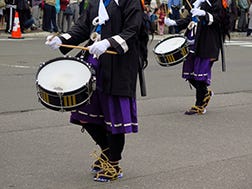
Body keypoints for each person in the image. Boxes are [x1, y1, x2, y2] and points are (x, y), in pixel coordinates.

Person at [45, 0, 143, 182]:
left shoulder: (131, 2)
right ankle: (107, 152)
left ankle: (113, 164)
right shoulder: (94, 2)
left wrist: (108, 43)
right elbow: (81, 27)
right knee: (84, 113)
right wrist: (62, 39)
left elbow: (133, 29)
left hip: (118, 66)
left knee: (114, 117)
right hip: (94, 62)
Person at [164, 0, 230, 115]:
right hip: (193, 43)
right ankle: (205, 93)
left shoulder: (216, 2)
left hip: (207, 43)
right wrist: (174, 23)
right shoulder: (196, 2)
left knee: (200, 75)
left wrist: (204, 14)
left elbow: (220, 19)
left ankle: (199, 105)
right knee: (189, 73)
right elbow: (190, 19)